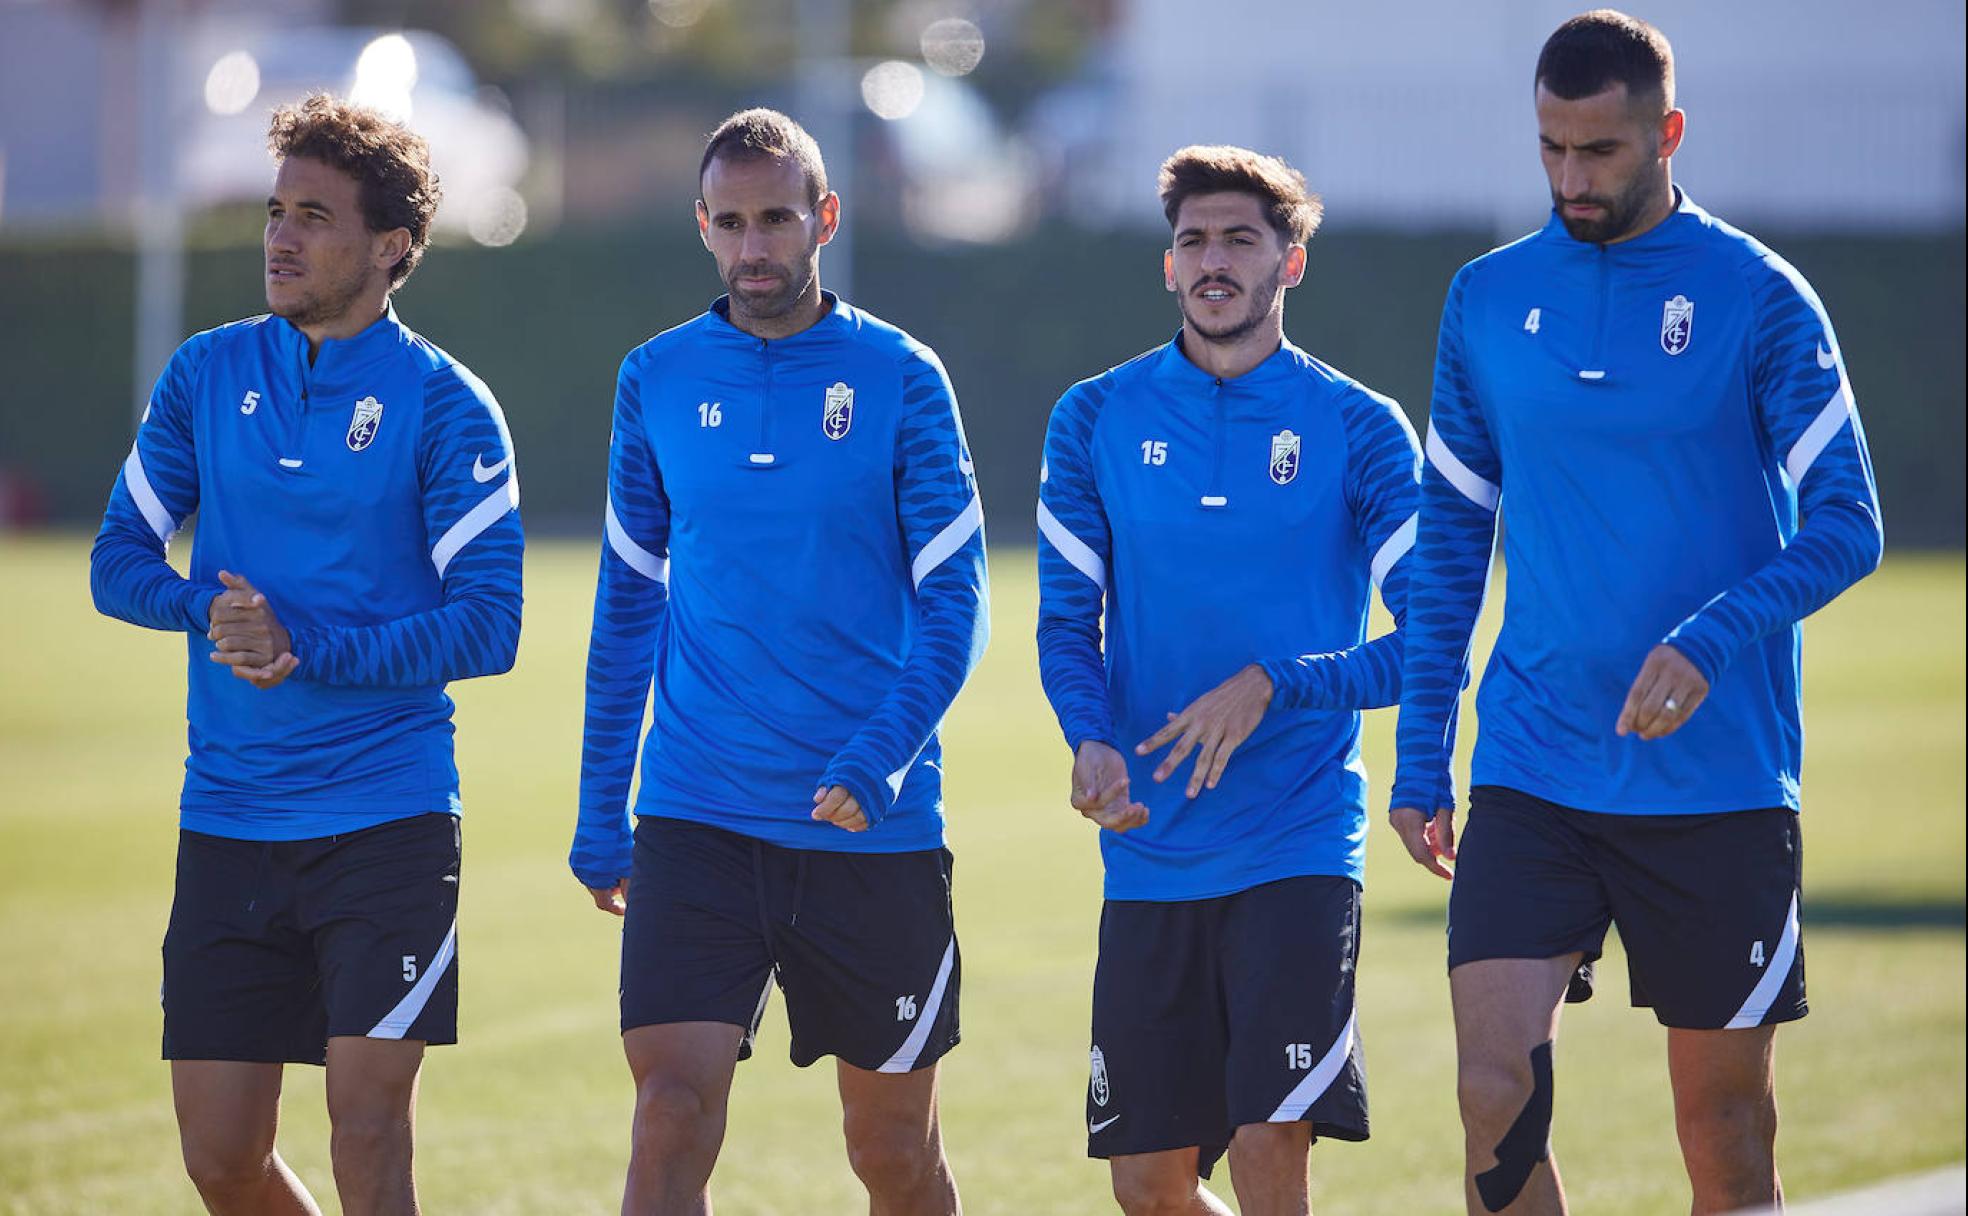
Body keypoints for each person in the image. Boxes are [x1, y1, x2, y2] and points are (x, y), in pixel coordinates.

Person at [1387, 11, 1884, 1215]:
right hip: (1535, 757)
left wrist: (1710, 639)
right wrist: (1419, 751)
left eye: (1599, 151)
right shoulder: (1487, 298)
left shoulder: (1759, 295)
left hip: (1715, 782)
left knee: (1724, 1140)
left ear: (1666, 133)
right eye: (1551, 149)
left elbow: (1848, 522)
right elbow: (1453, 538)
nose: (1571, 179)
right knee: (1493, 1088)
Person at [88, 93, 523, 1216]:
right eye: (278, 211)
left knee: (367, 1131)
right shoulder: (205, 373)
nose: (281, 237)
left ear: (390, 247)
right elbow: (117, 558)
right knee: (222, 1159)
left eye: (314, 216)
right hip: (228, 817)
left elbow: (490, 624)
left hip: (387, 820)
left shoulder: (448, 407)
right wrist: (203, 610)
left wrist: (308, 647)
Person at [570, 108, 987, 1216]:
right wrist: (598, 806)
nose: (755, 247)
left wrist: (881, 754)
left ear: (824, 220)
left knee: (892, 1153)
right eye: (731, 222)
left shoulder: (902, 376)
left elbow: (958, 601)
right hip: (698, 812)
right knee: (670, 1112)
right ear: (702, 226)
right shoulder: (653, 377)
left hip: (871, 827)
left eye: (777, 220)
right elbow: (625, 609)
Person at [1036, 145, 1437, 1216]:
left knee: (1270, 1144)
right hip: (1150, 853)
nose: (1213, 261)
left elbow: (1433, 635)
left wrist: (1279, 682)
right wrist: (1089, 736)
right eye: (1194, 241)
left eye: (1240, 240)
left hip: (1297, 842)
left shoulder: (1359, 428)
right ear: (1170, 265)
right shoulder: (1094, 419)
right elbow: (1068, 622)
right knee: (1148, 1187)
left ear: (1290, 263)